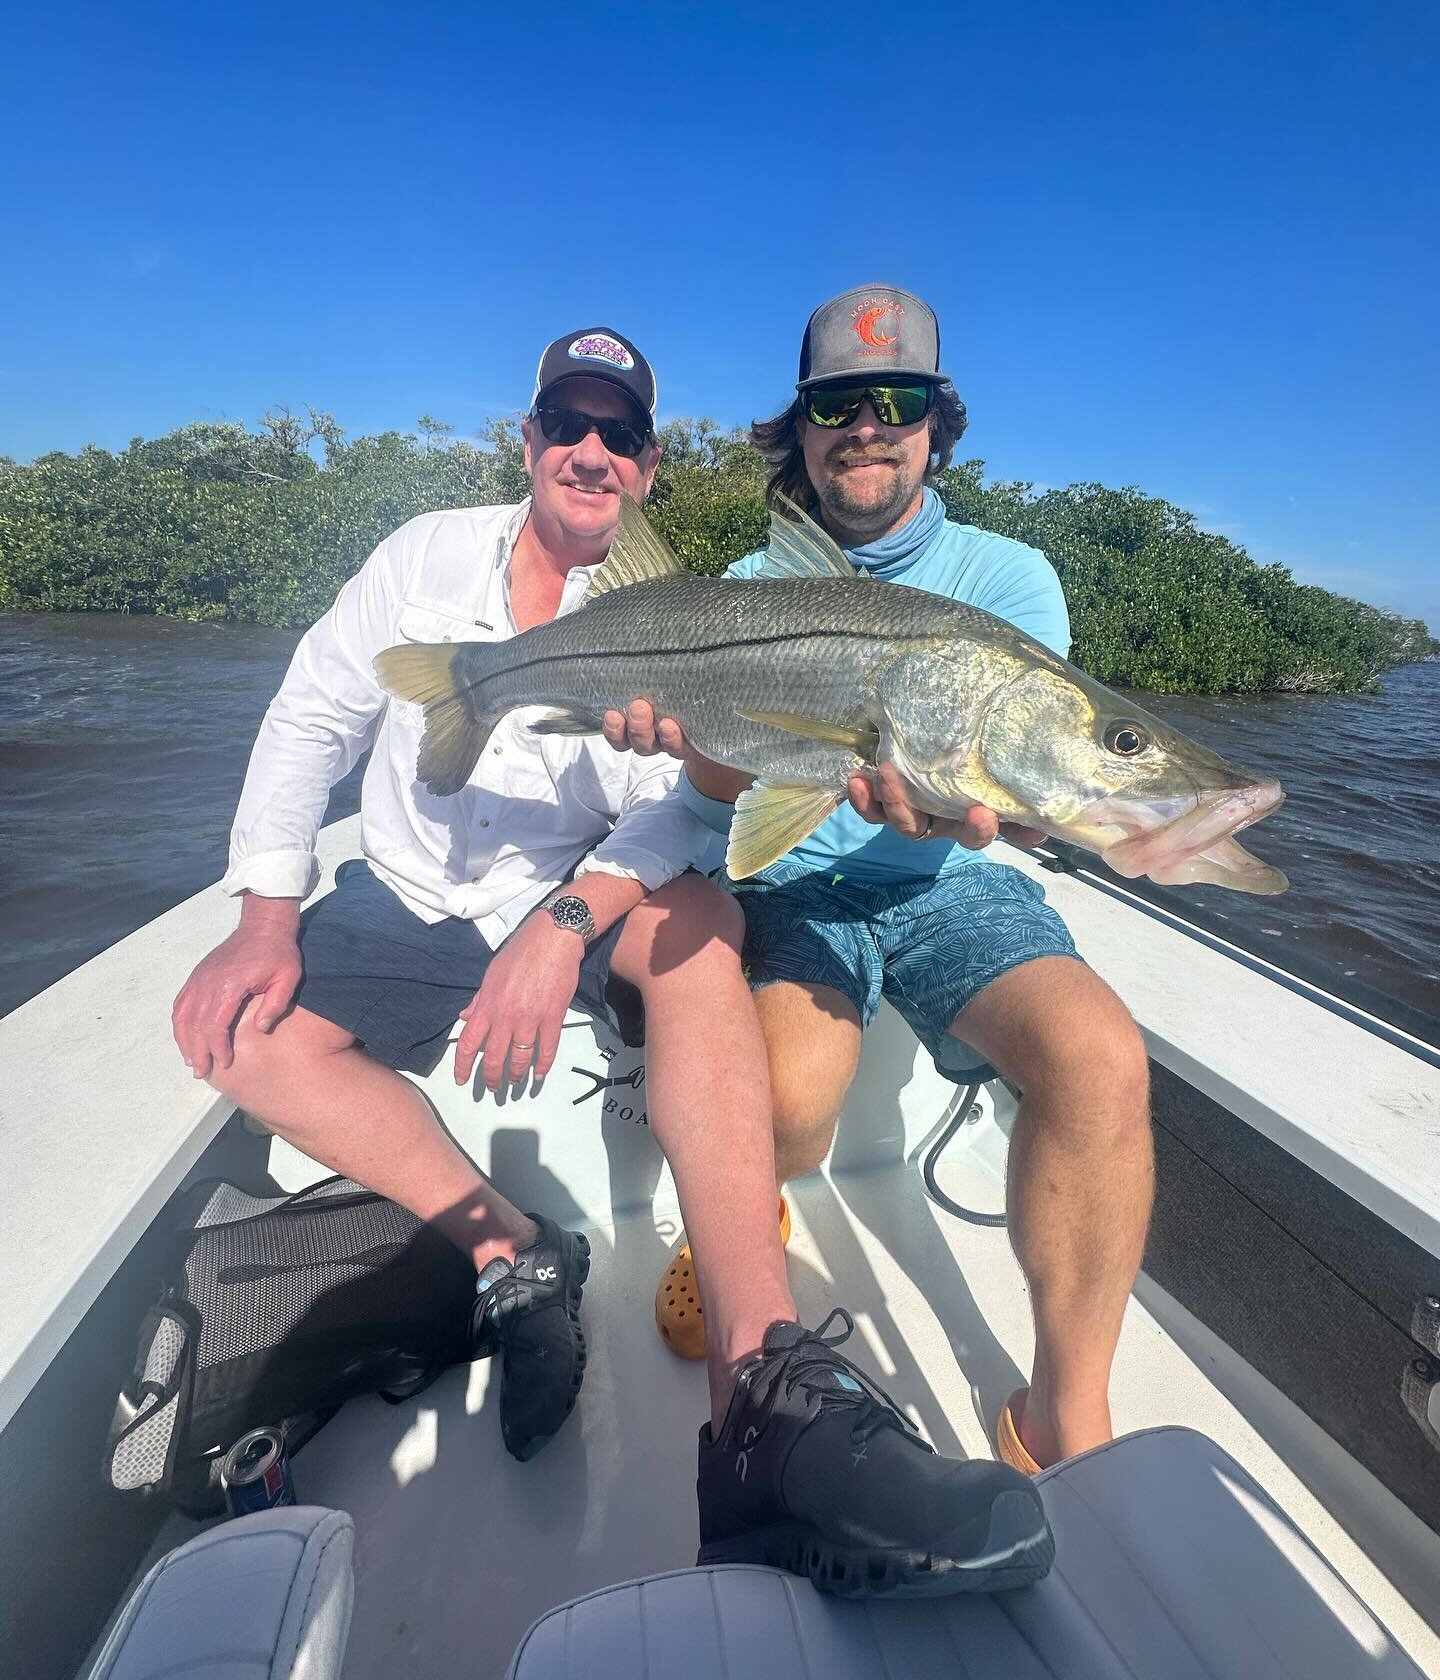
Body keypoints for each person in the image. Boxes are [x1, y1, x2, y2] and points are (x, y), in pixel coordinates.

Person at [172, 322, 1052, 1593]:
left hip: (573, 886)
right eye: (569, 425)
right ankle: (510, 1248)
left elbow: (678, 814)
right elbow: (313, 712)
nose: (592, 451)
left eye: (622, 435)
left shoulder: (676, 607)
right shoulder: (423, 554)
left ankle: (767, 1385)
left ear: (647, 468)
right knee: (234, 1034)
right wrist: (267, 910)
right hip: (406, 887)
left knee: (706, 932)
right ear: (528, 440)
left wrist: (566, 919)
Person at [610, 286, 1154, 1474]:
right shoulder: (741, 589)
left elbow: (1020, 805)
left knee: (1101, 1058)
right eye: (836, 404)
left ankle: (1065, 1412)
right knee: (791, 1113)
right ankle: (750, 1210)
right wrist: (690, 741)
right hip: (797, 882)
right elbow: (716, 806)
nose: (867, 426)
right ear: (799, 429)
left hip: (948, 881)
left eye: (896, 399)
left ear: (935, 423)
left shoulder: (1008, 579)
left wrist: (999, 813)